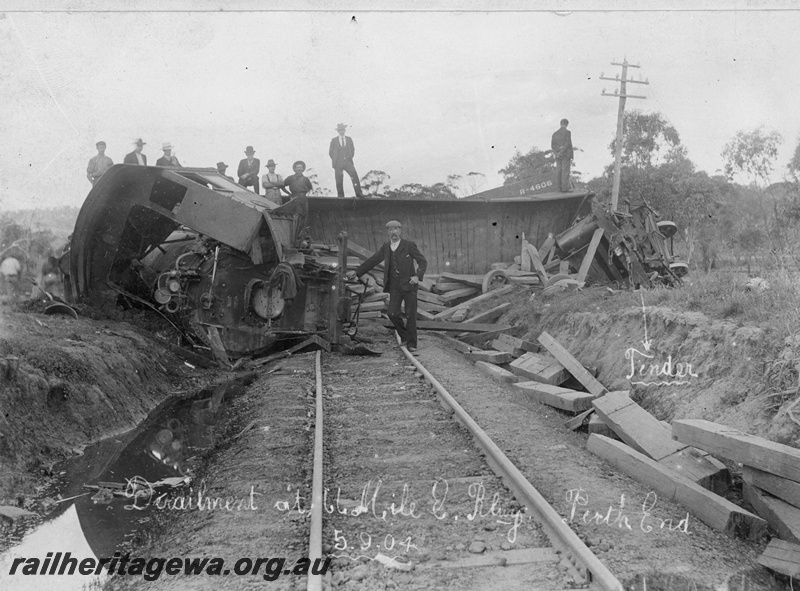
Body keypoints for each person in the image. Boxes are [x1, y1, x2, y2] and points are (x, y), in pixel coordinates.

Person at [347, 220, 427, 352]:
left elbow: (422, 261)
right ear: (387, 232)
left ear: (400, 231)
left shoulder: (409, 245)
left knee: (410, 315)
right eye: (390, 230)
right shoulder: (386, 247)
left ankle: (412, 344)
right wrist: (357, 272)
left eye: (396, 229)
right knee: (392, 313)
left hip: (409, 286)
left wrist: (417, 276)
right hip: (395, 286)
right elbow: (373, 260)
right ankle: (405, 336)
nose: (393, 232)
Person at [329, 123, 364, 198]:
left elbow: (352, 150)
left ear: (345, 130)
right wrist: (336, 159)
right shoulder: (334, 140)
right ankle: (340, 195)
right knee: (339, 180)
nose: (342, 131)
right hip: (338, 163)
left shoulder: (349, 139)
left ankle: (358, 193)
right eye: (340, 130)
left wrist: (348, 158)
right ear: (338, 131)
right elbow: (330, 152)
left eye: (343, 130)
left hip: (347, 162)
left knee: (354, 175)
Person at [551, 118, 573, 192]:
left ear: (560, 124)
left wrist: (558, 151)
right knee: (565, 171)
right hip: (565, 154)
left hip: (557, 155)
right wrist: (562, 151)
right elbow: (568, 143)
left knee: (558, 170)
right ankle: (565, 189)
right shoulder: (567, 132)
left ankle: (558, 188)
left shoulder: (555, 134)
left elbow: (552, 146)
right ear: (567, 124)